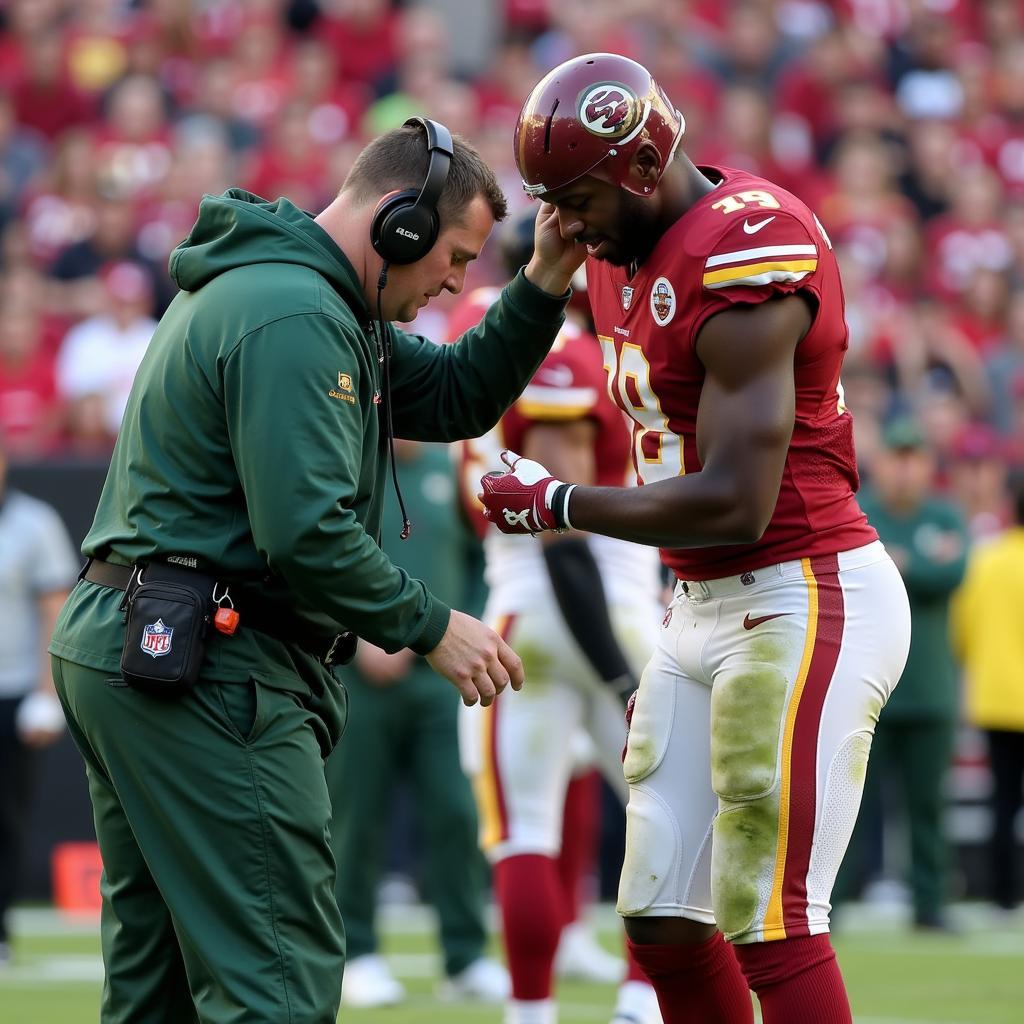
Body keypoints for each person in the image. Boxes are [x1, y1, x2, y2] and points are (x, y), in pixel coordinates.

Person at [48, 118, 585, 1023]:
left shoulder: (304, 300)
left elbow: (457, 391)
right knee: (278, 988)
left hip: (148, 646)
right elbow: (305, 534)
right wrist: (432, 625)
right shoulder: (298, 314)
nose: (457, 280)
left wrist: (542, 282)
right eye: (453, 255)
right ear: (397, 224)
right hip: (208, 669)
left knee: (159, 994)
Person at [479, 54, 912, 1024]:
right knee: (660, 917)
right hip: (698, 601)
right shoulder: (602, 252)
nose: (561, 221)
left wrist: (558, 502)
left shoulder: (745, 244)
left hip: (801, 589)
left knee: (770, 914)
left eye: (576, 196)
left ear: (639, 169)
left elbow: (733, 502)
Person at [454, 210, 664, 1024]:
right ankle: (640, 997)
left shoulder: (481, 331)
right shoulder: (567, 353)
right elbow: (562, 521)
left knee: (526, 827)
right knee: (666, 813)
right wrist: (616, 666)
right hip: (591, 597)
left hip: (522, 605)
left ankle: (532, 1011)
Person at [326, 438, 509, 1008]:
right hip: (360, 680)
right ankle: (356, 954)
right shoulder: (348, 466)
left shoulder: (453, 469)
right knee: (355, 818)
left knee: (457, 812)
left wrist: (468, 630)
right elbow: (317, 557)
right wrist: (355, 640)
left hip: (442, 682)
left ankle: (465, 955)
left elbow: (484, 563)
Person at [834, 417, 967, 930]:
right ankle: (832, 904)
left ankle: (929, 905)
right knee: (849, 804)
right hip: (870, 688)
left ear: (928, 465)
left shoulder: (945, 516)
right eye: (898, 457)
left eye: (915, 458)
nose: (906, 469)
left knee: (928, 806)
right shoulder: (862, 514)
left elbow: (951, 573)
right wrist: (909, 565)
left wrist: (898, 564)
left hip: (931, 689)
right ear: (883, 463)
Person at [0, 432, 78, 966]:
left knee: (4, 815)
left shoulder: (34, 522)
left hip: (10, 689)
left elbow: (57, 608)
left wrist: (46, 695)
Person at [950, 475, 1024, 916]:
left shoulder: (988, 559)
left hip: (997, 697)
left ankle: (1002, 895)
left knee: (1003, 801)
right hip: (1000, 697)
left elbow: (963, 630)